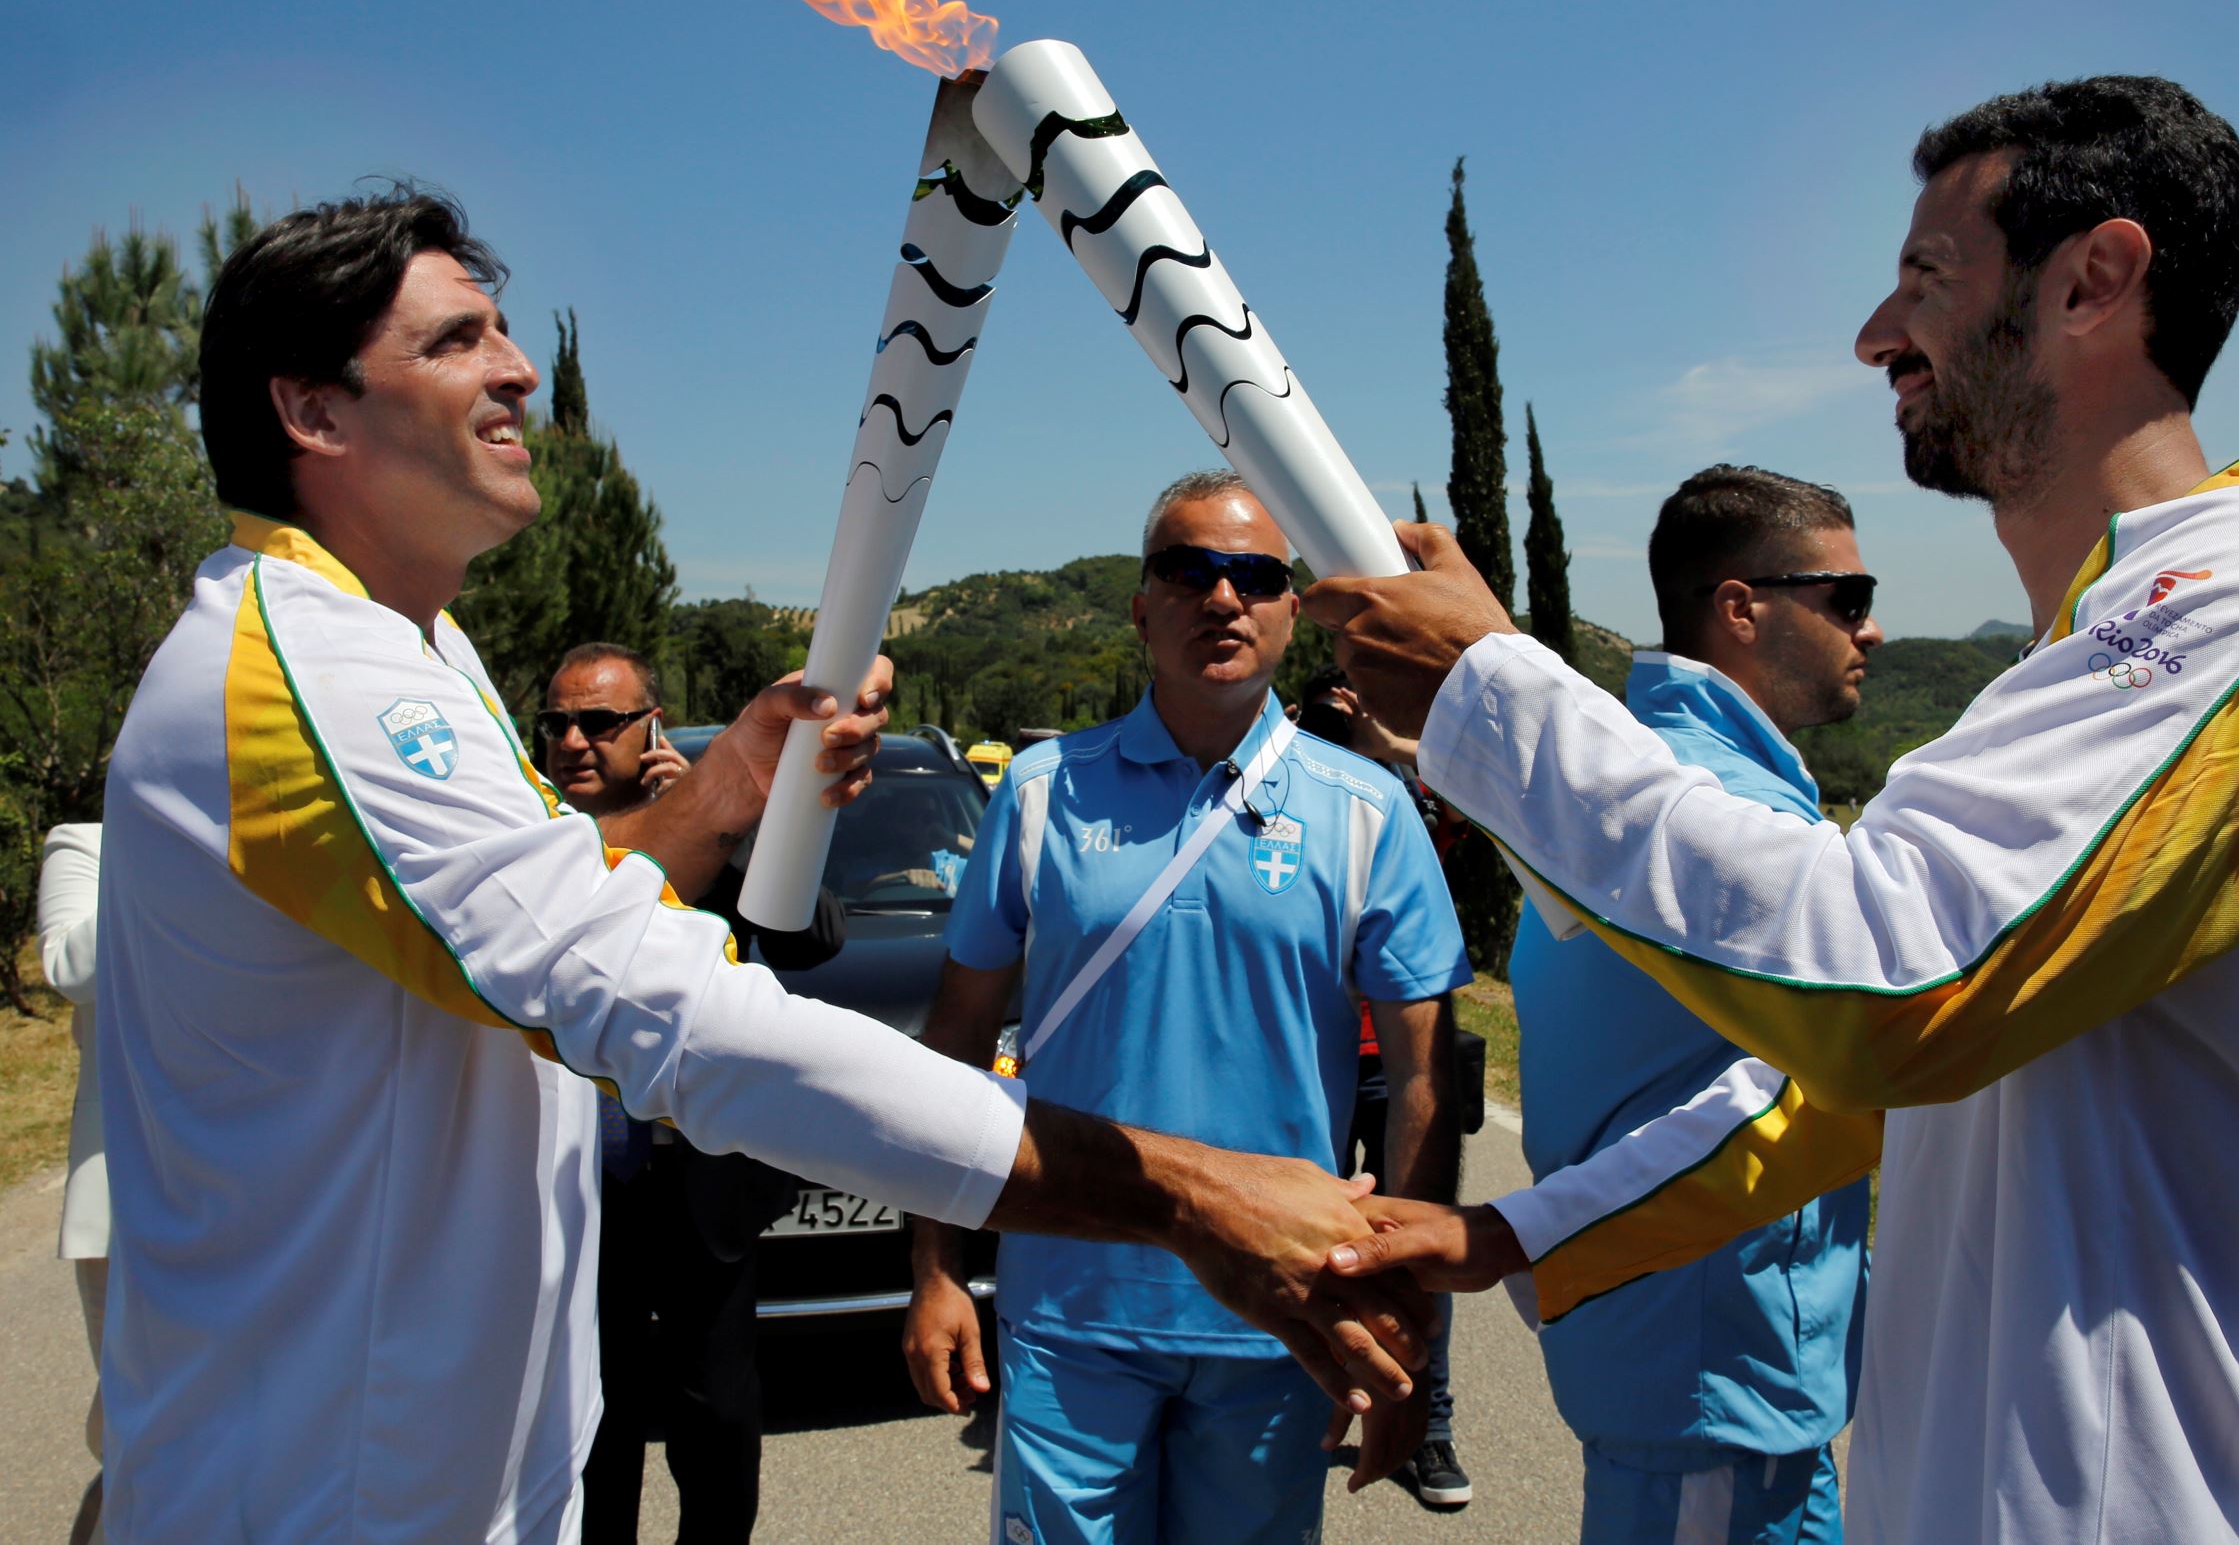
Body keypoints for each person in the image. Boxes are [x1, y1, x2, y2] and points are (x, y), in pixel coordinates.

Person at [94, 190, 1429, 1544]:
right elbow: (670, 1010)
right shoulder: (308, 674)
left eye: (505, 331)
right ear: (313, 412)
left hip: (419, 1479)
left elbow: (554, 898)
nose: (518, 368)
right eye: (456, 343)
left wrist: (733, 779)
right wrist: (1188, 1191)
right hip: (323, 1499)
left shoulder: (413, 653)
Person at [1311, 77, 2239, 1540]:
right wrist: (1509, 1232)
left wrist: (1492, 693)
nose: (1874, 333)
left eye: (1927, 276)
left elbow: (1896, 980)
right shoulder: (2083, 667)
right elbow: (1836, 1096)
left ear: (2092, 282)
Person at [901, 470, 1473, 1545]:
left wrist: (1411, 1322)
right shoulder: (1038, 792)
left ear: (1291, 610)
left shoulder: (1367, 812)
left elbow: (1425, 1082)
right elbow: (955, 1046)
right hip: (1070, 1310)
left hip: (1278, 1312)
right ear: (1141, 604)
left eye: (1254, 574)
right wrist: (934, 1271)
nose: (1222, 596)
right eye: (1187, 569)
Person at [1504, 465, 1878, 1542]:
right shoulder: (1732, 818)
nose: (1872, 627)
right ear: (1740, 606)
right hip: (1718, 1357)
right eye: (1843, 597)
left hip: (1708, 1360)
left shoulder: (1627, 786)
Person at [542, 642, 801, 1545]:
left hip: (698, 1183)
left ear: (650, 725)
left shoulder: (709, 829)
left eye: (599, 723)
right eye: (558, 723)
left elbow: (813, 937)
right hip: (568, 1191)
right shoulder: (527, 841)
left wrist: (709, 821)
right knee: (589, 1420)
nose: (575, 741)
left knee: (717, 1416)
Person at [1295, 667, 1471, 1509]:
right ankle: (1313, 1394)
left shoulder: (1404, 791)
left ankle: (1426, 1426)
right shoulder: (1280, 781)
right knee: (1310, 1242)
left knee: (1415, 1244)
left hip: (1399, 1060)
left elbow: (1477, 818)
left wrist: (1390, 747)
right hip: (1312, 1057)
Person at [38, 822, 107, 1545]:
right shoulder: (85, 843)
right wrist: (168, 865)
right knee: (134, 1423)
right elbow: (67, 968)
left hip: (259, 1183)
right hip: (123, 1193)